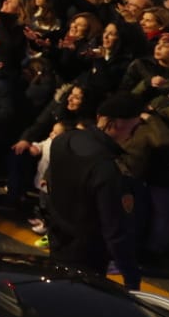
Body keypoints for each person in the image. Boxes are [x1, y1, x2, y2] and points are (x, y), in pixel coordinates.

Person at [44, 93, 143, 290]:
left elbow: (48, 186)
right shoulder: (107, 167)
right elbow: (114, 227)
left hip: (57, 238)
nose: (133, 134)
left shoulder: (64, 140)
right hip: (88, 252)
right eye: (133, 127)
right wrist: (131, 276)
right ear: (115, 125)